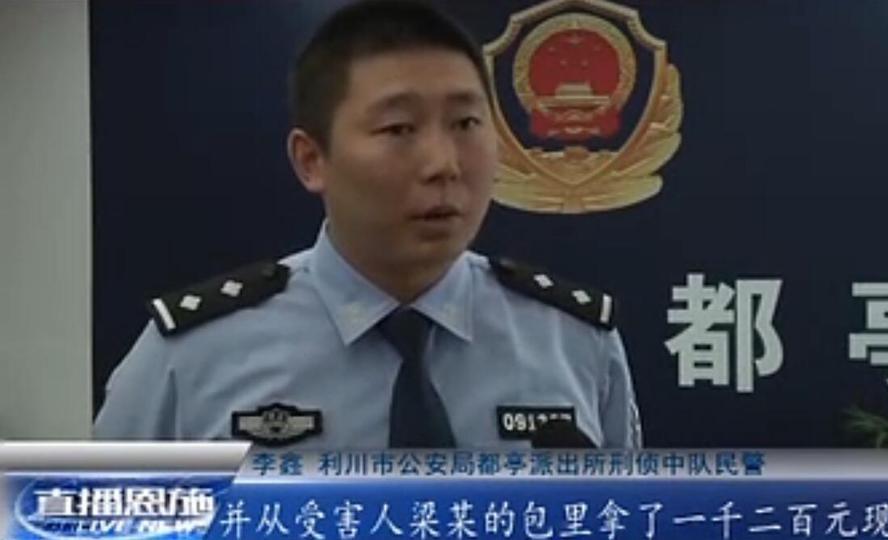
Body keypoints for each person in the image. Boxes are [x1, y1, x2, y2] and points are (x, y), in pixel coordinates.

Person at [94, 0, 642, 449]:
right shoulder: (191, 358)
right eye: (399, 129)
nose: (444, 164)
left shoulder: (574, 344)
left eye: (466, 123)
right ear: (311, 160)